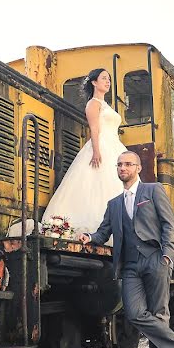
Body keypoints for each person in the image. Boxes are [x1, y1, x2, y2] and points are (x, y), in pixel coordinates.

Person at [78, 151, 174, 348]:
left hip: (156, 258)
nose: (122, 168)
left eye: (127, 164)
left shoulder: (153, 190)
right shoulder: (113, 204)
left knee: (158, 316)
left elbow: (169, 224)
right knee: (135, 314)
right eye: (119, 165)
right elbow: (104, 233)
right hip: (130, 265)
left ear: (137, 168)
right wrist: (89, 237)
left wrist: (168, 255)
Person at [38, 68, 128, 238]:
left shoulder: (107, 105)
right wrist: (96, 151)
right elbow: (94, 129)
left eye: (108, 79)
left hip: (115, 146)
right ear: (94, 82)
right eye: (103, 78)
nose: (107, 82)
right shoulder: (93, 104)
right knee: (96, 185)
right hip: (101, 145)